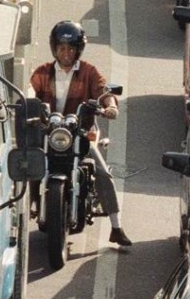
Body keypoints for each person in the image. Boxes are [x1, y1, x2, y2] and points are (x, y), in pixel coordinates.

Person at [29, 21, 132, 249]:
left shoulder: (88, 72)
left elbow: (103, 90)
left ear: (78, 50)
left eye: (71, 49)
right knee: (29, 163)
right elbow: (30, 90)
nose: (66, 54)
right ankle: (28, 208)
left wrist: (110, 105)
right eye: (61, 48)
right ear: (54, 49)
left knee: (103, 173)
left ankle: (116, 227)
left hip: (80, 133)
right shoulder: (43, 72)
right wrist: (26, 102)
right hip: (50, 133)